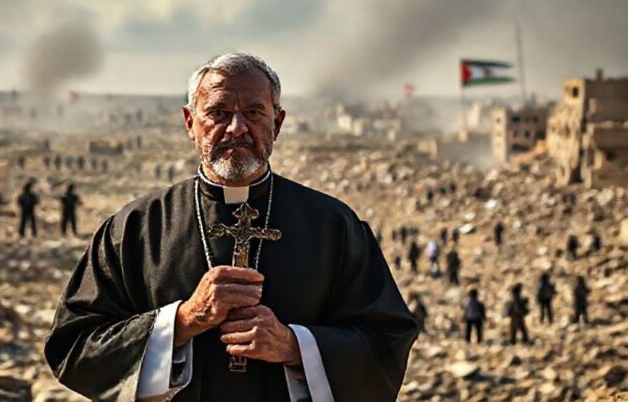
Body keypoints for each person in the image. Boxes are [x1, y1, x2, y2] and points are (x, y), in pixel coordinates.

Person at [44, 53, 419, 402]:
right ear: (191, 123)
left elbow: (386, 342)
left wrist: (292, 345)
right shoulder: (135, 228)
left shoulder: (333, 225)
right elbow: (73, 347)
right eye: (218, 112)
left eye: (254, 112)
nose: (236, 127)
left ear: (278, 121)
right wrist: (183, 321)